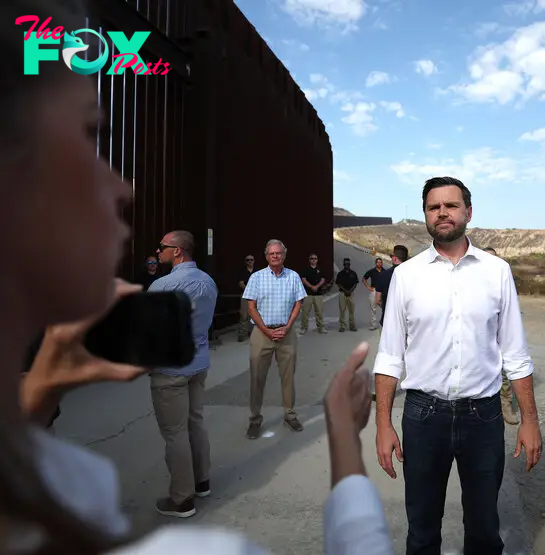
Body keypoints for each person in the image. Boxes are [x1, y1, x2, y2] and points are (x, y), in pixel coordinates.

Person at [4, 2, 394, 550]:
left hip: (193, 365)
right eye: (81, 141)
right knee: (193, 425)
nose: (122, 189)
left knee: (181, 430)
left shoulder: (168, 286)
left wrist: (36, 397)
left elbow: (295, 300)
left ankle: (187, 489)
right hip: (221, 353)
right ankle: (206, 474)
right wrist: (343, 445)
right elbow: (249, 304)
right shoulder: (212, 281)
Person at [374, 176, 542, 555]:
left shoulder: (496, 271)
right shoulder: (406, 276)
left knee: (484, 532)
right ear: (425, 216)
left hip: (482, 419)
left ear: (468, 211)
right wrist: (383, 424)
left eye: (451, 205)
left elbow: (515, 354)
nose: (443, 213)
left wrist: (530, 420)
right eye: (434, 207)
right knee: (421, 532)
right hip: (422, 417)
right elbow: (389, 357)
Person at [149, 230, 218, 517]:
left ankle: (181, 498)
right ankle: (202, 481)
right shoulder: (209, 282)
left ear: (177, 251)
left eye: (162, 247)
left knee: (174, 432)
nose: (158, 252)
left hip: (171, 369)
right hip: (198, 363)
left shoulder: (162, 286)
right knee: (195, 422)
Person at [243, 239, 306, 436]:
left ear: (284, 255)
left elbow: (298, 303)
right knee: (257, 377)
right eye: (271, 253)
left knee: (288, 376)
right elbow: (251, 307)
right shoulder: (256, 277)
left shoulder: (293, 277)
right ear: (266, 256)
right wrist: (266, 330)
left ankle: (290, 414)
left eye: (278, 253)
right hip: (262, 333)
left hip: (286, 333)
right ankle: (255, 419)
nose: (275, 256)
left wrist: (288, 326)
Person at [483, 247, 520, 425]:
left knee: (504, 372)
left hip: (500, 336)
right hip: (481, 339)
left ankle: (505, 405)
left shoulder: (503, 281)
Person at [374, 244, 409, 329]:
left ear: (394, 258)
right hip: (407, 323)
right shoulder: (413, 274)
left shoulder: (383, 275)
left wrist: (387, 306)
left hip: (388, 320)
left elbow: (378, 300)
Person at [299, 252, 328, 334]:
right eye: (312, 258)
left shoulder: (320, 269)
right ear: (309, 260)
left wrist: (317, 286)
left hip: (318, 294)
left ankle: (321, 328)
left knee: (319, 312)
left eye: (315, 258)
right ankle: (304, 328)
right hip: (308, 294)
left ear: (317, 260)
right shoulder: (306, 269)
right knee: (305, 312)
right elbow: (303, 279)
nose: (313, 260)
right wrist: (311, 287)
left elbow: (323, 279)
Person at [335, 257, 359, 332]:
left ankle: (352, 326)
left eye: (348, 264)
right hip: (342, 294)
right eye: (345, 264)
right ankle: (342, 326)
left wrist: (350, 291)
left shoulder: (353, 273)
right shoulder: (340, 274)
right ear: (343, 264)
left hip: (351, 294)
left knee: (351, 311)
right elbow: (338, 284)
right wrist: (345, 291)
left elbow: (355, 284)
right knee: (342, 310)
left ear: (350, 264)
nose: (347, 265)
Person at [238, 254, 257, 341]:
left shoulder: (257, 272)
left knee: (253, 315)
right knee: (244, 315)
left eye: (251, 260)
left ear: (254, 261)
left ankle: (252, 333)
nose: (250, 261)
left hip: (255, 295)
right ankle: (242, 334)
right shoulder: (242, 271)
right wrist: (248, 290)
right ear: (245, 262)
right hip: (245, 295)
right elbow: (241, 283)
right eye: (248, 260)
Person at [362, 258, 384, 330]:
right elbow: (363, 279)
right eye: (378, 262)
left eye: (381, 262)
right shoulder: (371, 271)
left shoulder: (385, 272)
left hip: (382, 291)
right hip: (374, 290)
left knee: (384, 307)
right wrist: (368, 287)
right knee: (373, 308)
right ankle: (373, 325)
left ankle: (384, 323)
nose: (379, 264)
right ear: (376, 263)